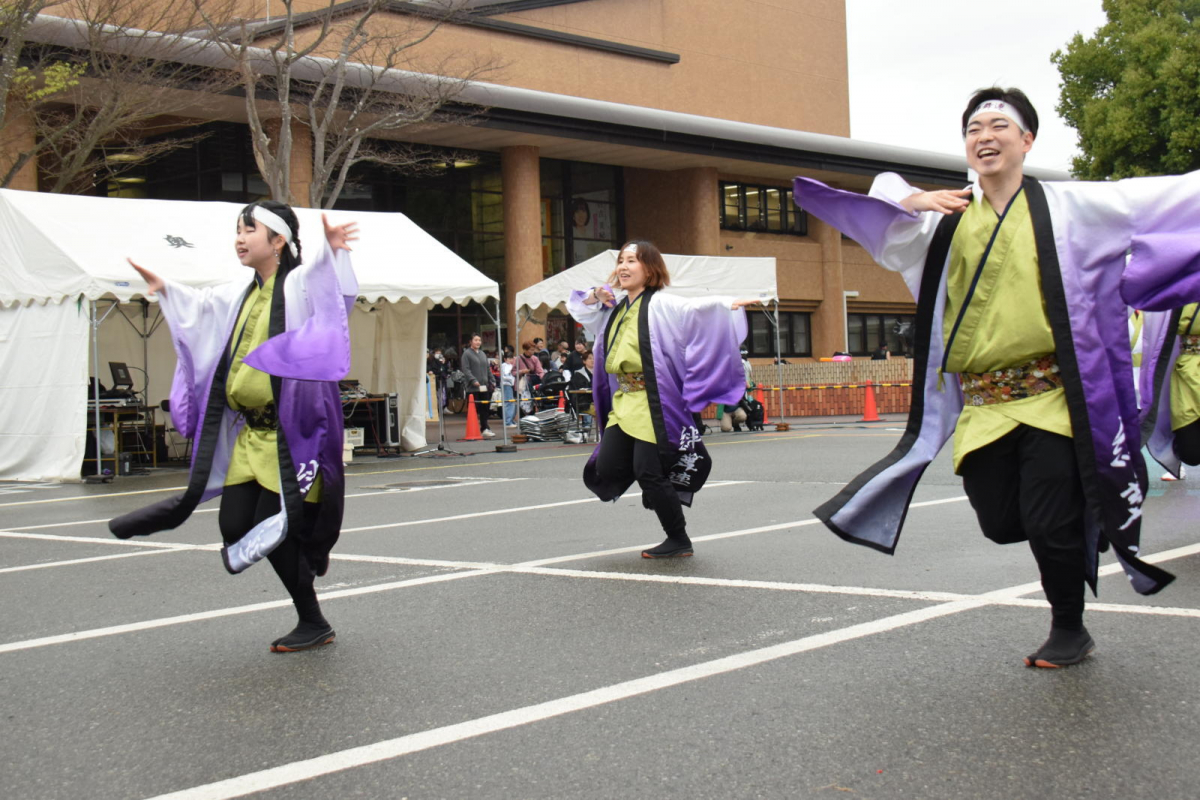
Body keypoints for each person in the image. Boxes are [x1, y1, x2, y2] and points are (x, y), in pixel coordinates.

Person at [794, 86, 1200, 669]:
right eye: (973, 128)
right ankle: (1083, 505)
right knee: (1002, 522)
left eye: (999, 125)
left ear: (1027, 140)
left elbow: (1165, 198)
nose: (985, 135)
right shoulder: (945, 221)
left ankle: (1069, 627)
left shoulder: (1074, 209)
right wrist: (913, 197)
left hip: (1056, 398)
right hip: (984, 404)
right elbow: (880, 202)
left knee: (1046, 518)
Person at [110, 201, 359, 653]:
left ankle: (312, 619)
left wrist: (333, 252)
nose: (240, 239)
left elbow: (330, 294)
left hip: (294, 434)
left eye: (249, 230)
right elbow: (200, 308)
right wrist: (165, 287)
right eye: (237, 231)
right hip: (251, 435)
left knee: (273, 526)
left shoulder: (299, 285)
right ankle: (307, 559)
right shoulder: (239, 293)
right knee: (235, 524)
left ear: (278, 240)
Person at [569, 240, 757, 558]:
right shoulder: (613, 308)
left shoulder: (663, 304)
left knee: (647, 471)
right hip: (624, 400)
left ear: (650, 268)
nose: (624, 267)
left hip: (654, 400)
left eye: (632, 260)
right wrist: (596, 294)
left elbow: (696, 311)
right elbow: (579, 306)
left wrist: (726, 305)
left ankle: (678, 537)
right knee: (608, 466)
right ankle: (657, 484)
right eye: (621, 261)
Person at [461, 333, 494, 438]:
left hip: (484, 386)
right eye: (475, 340)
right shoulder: (466, 354)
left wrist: (492, 380)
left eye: (479, 340)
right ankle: (473, 429)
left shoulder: (483, 354)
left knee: (485, 408)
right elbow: (466, 370)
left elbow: (487, 369)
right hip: (473, 387)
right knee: (474, 409)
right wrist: (473, 380)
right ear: (471, 341)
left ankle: (485, 428)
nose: (478, 342)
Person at [569, 349, 595, 431]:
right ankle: (587, 427)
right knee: (601, 408)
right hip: (583, 401)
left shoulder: (599, 373)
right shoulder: (579, 374)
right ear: (584, 361)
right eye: (590, 358)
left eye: (594, 358)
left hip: (595, 400)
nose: (593, 360)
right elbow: (581, 389)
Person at [500, 353, 518, 427]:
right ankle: (508, 422)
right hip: (507, 385)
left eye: (512, 358)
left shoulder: (510, 365)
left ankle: (511, 420)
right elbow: (506, 375)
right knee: (509, 403)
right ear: (505, 359)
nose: (511, 360)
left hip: (512, 385)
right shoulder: (505, 365)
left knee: (513, 403)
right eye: (509, 358)